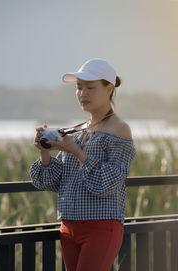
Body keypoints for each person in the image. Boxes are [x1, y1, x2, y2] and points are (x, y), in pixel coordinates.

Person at [29, 58, 136, 271]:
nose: (82, 93)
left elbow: (109, 182)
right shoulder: (76, 130)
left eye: (90, 87)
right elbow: (53, 182)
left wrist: (76, 151)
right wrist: (45, 153)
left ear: (109, 89)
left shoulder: (120, 129)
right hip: (68, 227)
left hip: (102, 225)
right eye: (78, 88)